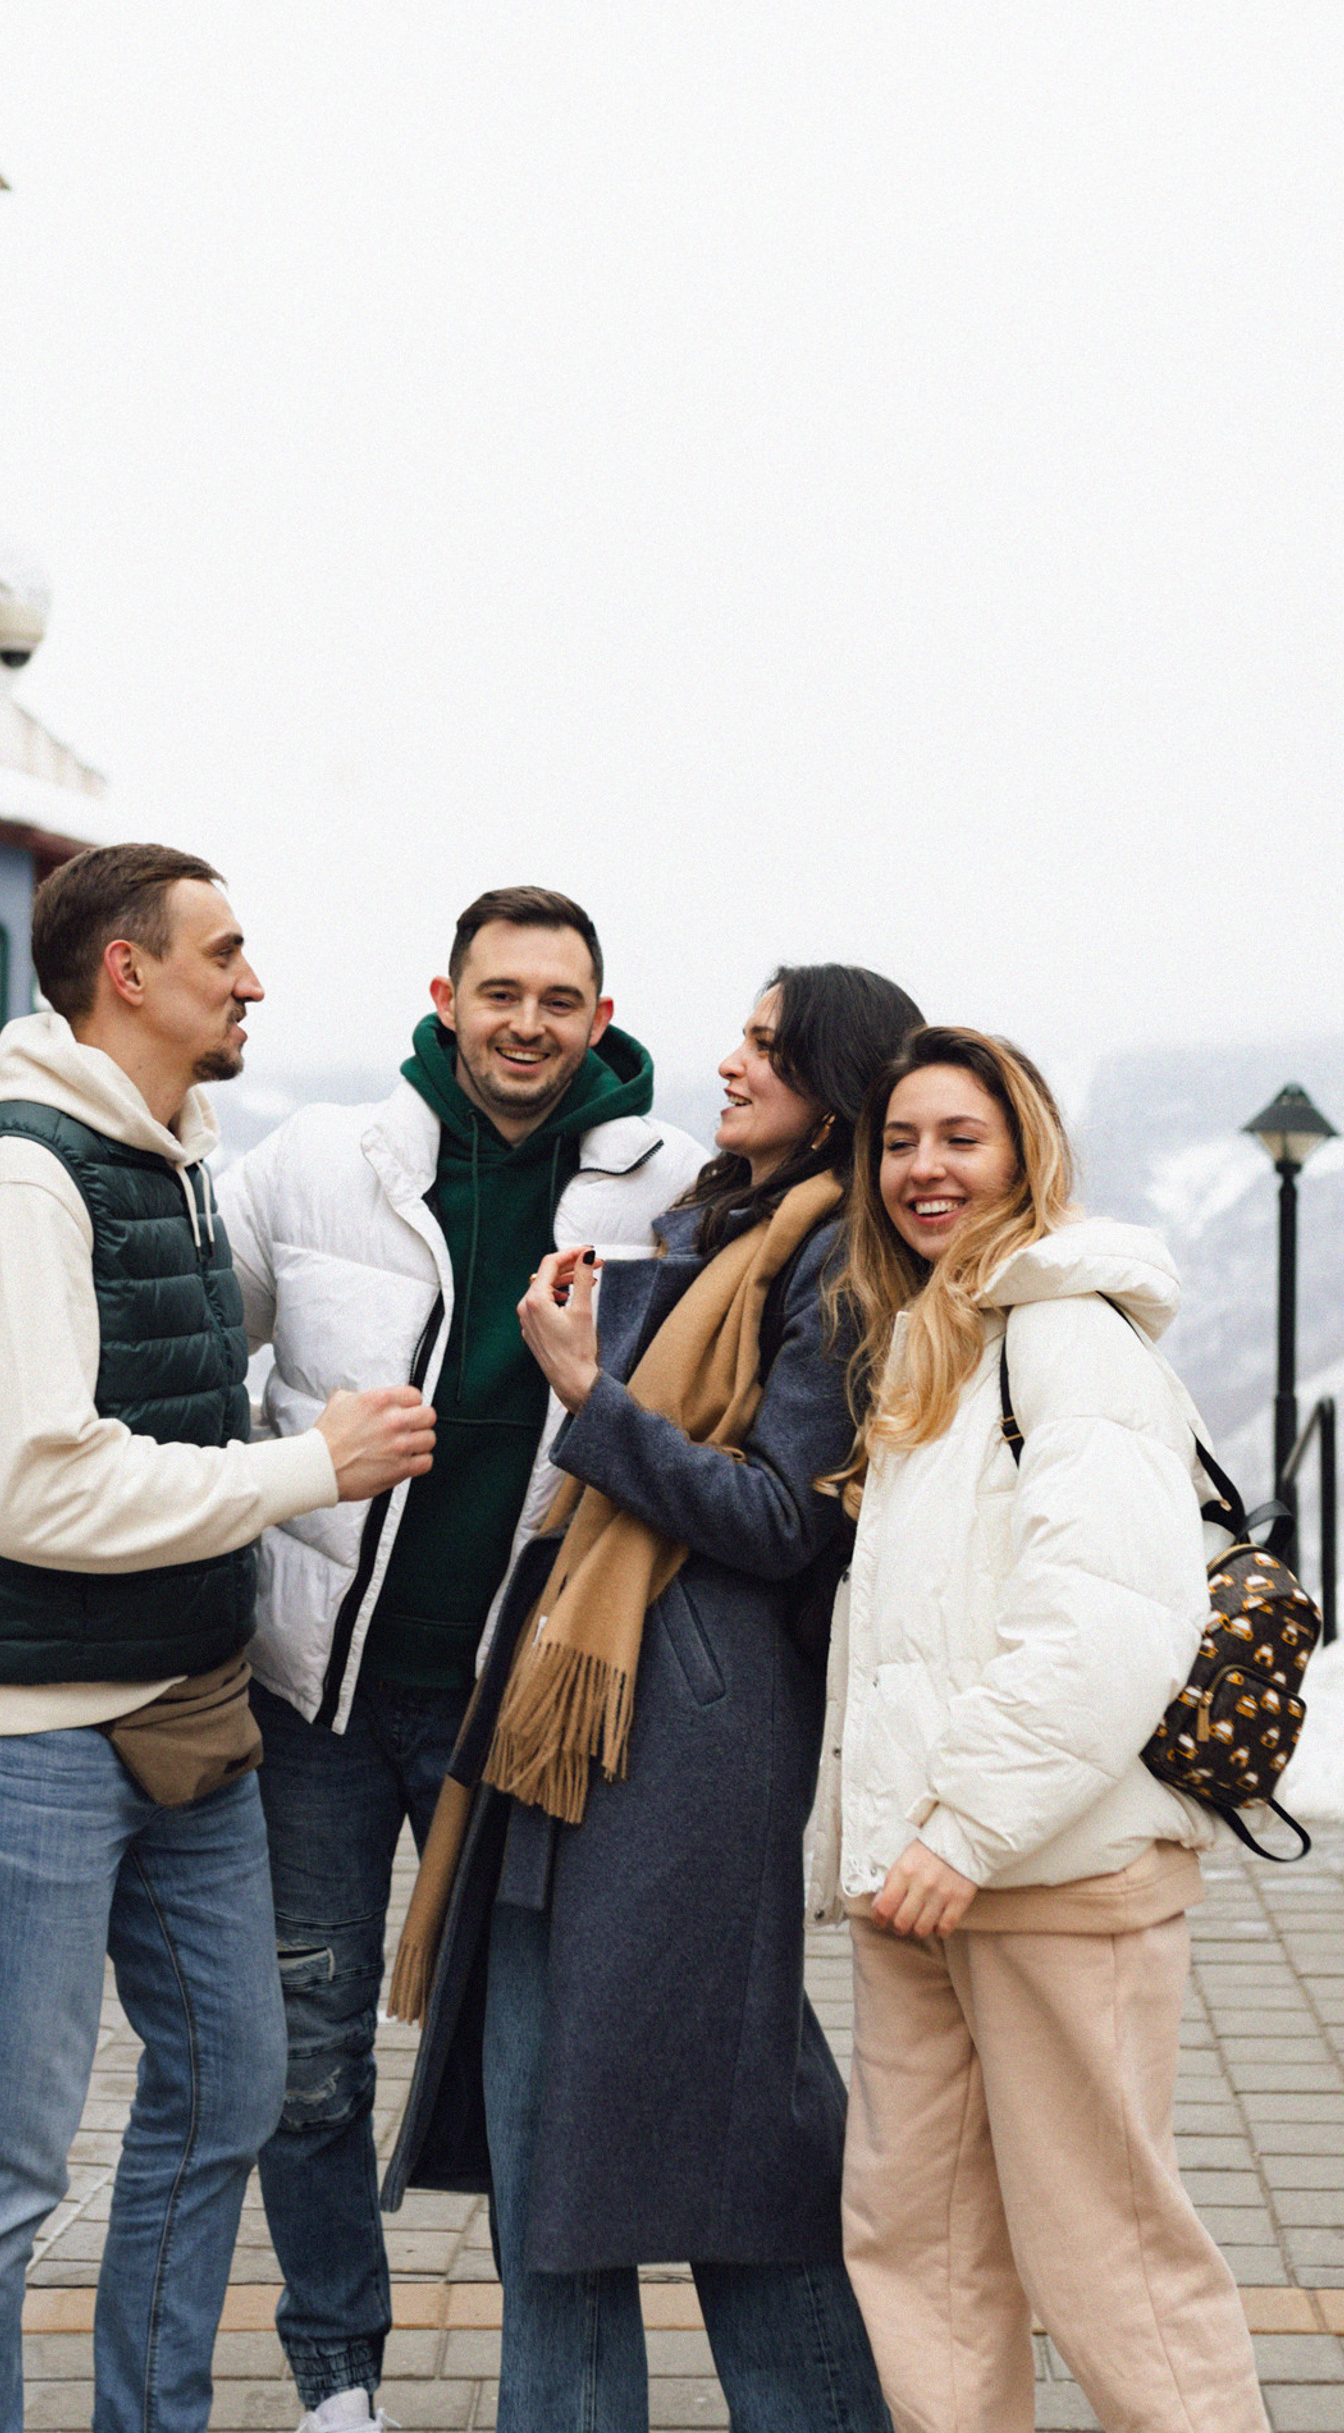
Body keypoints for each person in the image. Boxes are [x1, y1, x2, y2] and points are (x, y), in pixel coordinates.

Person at [0, 843, 436, 2433]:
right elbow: (39, 1490)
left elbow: (170, 1396)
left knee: (230, 2091)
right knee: (0, 2153)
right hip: (29, 1736)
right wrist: (306, 1468)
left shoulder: (179, 1154)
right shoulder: (19, 1177)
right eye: (224, 952)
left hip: (187, 1720)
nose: (254, 982)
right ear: (127, 973)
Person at [383, 963, 925, 2433]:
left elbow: (783, 1518)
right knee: (558, 2139)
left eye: (767, 1047)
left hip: (686, 1745)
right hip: (581, 1723)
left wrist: (589, 1394)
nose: (730, 1065)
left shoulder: (841, 1264)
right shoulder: (730, 1223)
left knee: (729, 2128)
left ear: (837, 1089)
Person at [219, 887, 705, 2433]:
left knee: (535, 2069)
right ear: (446, 998)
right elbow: (188, 1348)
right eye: (501, 993)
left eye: (560, 1001)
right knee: (307, 2057)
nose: (527, 1026)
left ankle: (550, 2393)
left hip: (522, 1711)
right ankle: (338, 2385)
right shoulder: (319, 1163)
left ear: (600, 1019)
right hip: (318, 1697)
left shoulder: (671, 1193)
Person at [816, 1024, 1268, 2433]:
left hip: (1047, 1872)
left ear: (1027, 1154)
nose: (925, 1168)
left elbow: (1107, 1621)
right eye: (900, 1142)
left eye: (962, 1138)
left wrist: (965, 1827)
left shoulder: (1068, 1337)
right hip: (921, 1887)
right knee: (922, 2249)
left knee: (1109, 2258)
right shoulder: (935, 1341)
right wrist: (900, 1845)